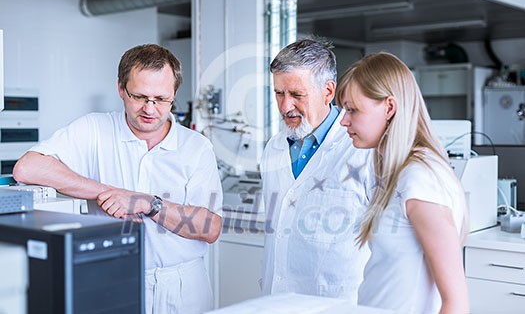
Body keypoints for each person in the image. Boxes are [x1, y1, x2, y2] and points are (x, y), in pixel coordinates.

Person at [13, 44, 223, 314]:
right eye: (139, 96)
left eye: (161, 99)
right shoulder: (94, 129)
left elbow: (210, 228)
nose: (150, 109)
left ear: (173, 96)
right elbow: (26, 169)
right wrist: (106, 191)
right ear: (121, 89)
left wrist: (148, 203)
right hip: (113, 279)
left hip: (182, 288)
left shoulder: (196, 147)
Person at [335, 52, 469, 313]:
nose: (343, 121)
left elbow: (456, 303)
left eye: (352, 109)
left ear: (389, 107)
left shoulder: (420, 178)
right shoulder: (394, 170)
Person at [260, 38, 374, 302]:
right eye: (279, 93)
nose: (285, 106)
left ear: (328, 91)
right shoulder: (273, 149)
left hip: (338, 302)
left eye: (297, 95)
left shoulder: (362, 149)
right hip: (276, 299)